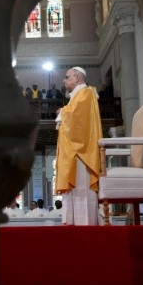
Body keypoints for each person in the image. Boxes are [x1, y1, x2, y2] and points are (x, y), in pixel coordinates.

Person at [54, 66, 102, 225]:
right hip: (73, 151)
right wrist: (65, 111)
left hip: (82, 152)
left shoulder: (86, 93)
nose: (64, 80)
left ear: (77, 78)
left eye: (67, 77)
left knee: (82, 186)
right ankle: (73, 222)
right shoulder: (77, 95)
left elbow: (78, 121)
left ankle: (84, 224)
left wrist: (63, 111)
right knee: (73, 187)